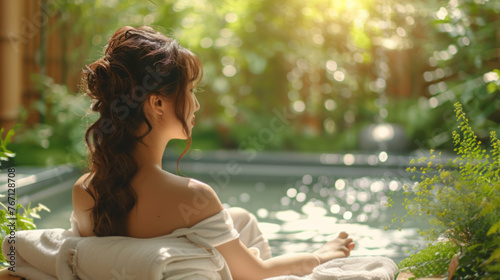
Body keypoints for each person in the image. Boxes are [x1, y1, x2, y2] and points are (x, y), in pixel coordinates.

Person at [72, 25, 355, 279]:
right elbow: (257, 272)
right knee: (243, 226)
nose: (195, 105)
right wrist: (321, 255)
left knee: (240, 218)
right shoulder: (193, 197)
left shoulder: (83, 191)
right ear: (157, 103)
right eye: (191, 90)